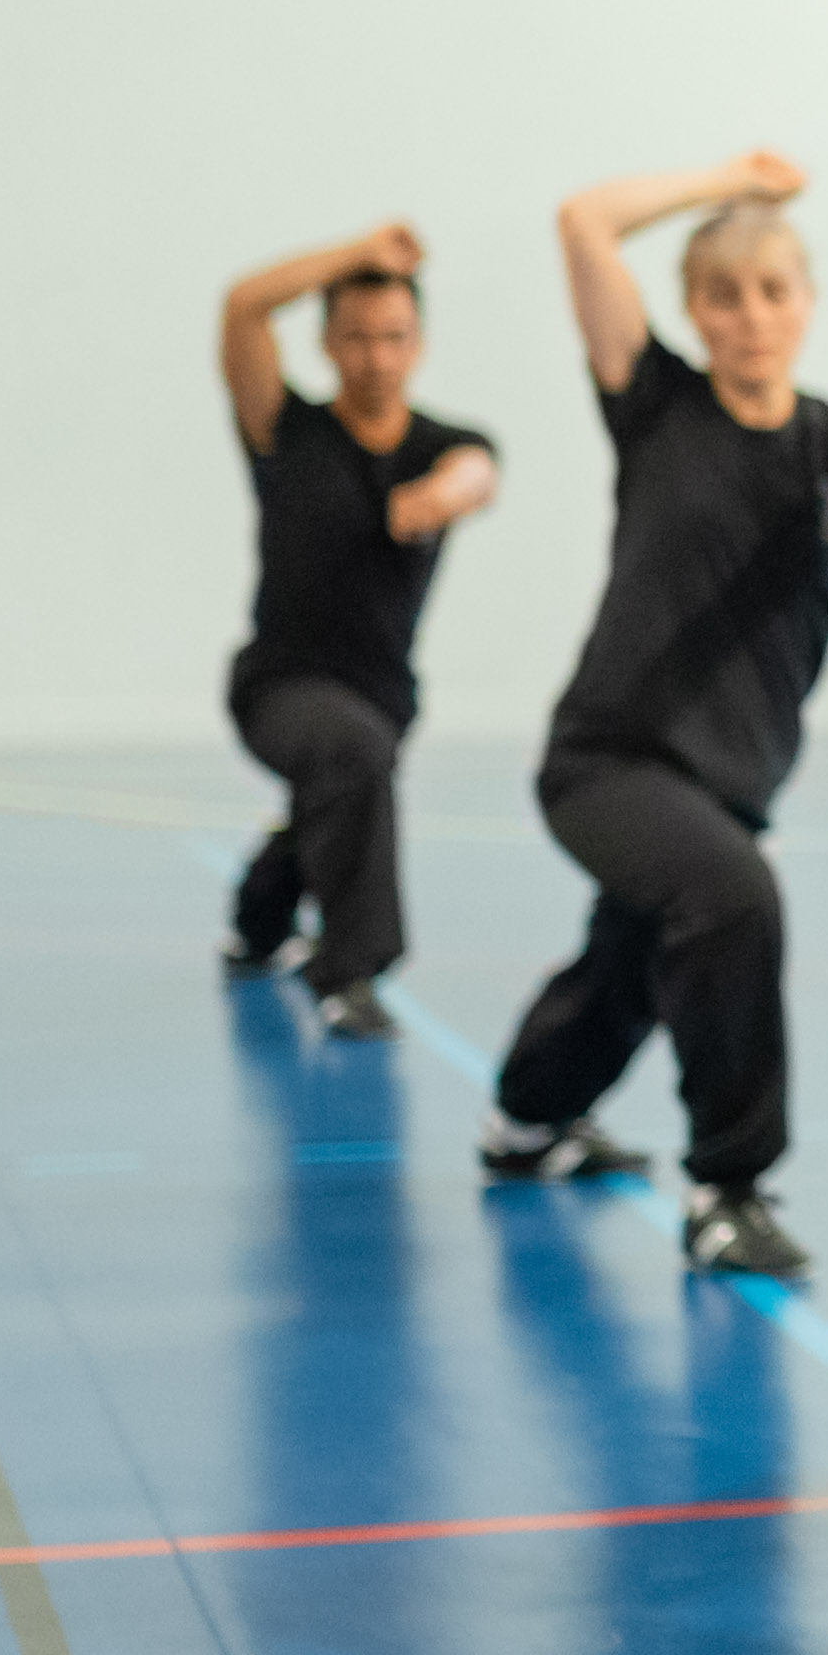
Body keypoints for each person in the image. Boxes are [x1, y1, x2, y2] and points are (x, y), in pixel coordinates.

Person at [476, 151, 828, 1277]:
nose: (752, 317)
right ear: (692, 309)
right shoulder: (657, 406)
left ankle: (526, 1119)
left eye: (773, 291)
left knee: (633, 956)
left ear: (808, 302)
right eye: (724, 296)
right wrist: (728, 180)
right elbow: (584, 221)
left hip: (727, 784)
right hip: (606, 760)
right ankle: (729, 1187)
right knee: (731, 900)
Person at [217, 222, 500, 1041]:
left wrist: (440, 498)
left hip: (381, 697)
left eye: (394, 338)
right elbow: (242, 307)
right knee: (351, 759)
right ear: (328, 343)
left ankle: (258, 922)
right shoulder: (286, 430)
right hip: (279, 686)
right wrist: (354, 255)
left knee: (342, 789)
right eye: (357, 338)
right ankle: (350, 973)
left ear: (419, 344)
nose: (377, 358)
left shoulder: (447, 446)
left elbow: (477, 474)